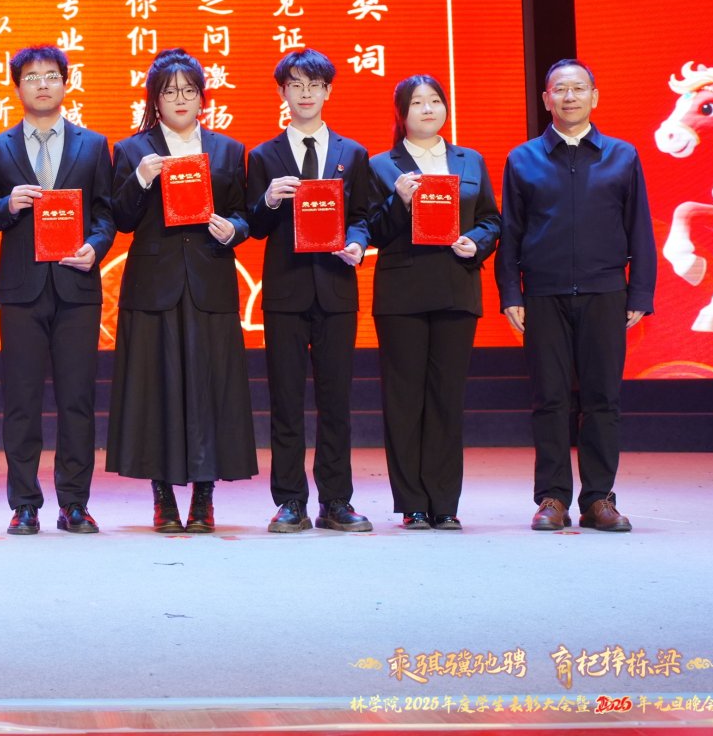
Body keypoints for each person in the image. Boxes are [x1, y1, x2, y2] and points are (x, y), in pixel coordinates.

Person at [496, 59, 655, 532]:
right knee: (549, 398)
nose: (569, 97)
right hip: (543, 293)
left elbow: (639, 228)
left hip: (606, 291)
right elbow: (511, 232)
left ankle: (599, 499)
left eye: (579, 89)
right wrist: (511, 292)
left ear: (594, 97)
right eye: (560, 90)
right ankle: (552, 498)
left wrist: (640, 291)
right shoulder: (522, 159)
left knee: (603, 398)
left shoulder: (622, 156)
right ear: (546, 99)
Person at [107, 49, 255, 533]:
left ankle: (204, 497)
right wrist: (141, 179)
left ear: (202, 98)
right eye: (169, 92)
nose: (180, 99)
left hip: (209, 282)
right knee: (157, 392)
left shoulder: (227, 150)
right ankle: (163, 498)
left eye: (189, 90)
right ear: (155, 99)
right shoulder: (133, 150)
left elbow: (244, 214)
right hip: (154, 287)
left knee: (210, 390)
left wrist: (233, 228)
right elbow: (120, 218)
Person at [0, 45, 116, 535]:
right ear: (17, 86)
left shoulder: (93, 144)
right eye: (32, 77)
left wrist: (95, 247)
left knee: (77, 400)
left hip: (77, 287)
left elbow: (106, 213)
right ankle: (24, 503)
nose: (42, 84)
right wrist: (7, 205)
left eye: (51, 76)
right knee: (21, 401)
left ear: (65, 83)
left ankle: (74, 503)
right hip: (22, 290)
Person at [246, 48, 374, 534]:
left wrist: (357, 244)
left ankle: (336, 500)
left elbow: (362, 217)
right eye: (296, 85)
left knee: (336, 400)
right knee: (285, 401)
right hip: (285, 293)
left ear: (328, 91)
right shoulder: (264, 155)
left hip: (337, 290)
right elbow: (254, 227)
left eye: (314, 85)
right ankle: (290, 501)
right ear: (282, 92)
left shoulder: (352, 153)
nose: (305, 94)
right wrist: (266, 200)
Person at [366, 75, 500, 531]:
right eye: (417, 103)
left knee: (446, 398)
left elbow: (491, 219)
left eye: (435, 101)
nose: (427, 109)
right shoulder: (381, 165)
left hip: (456, 288)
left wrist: (476, 241)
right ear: (401, 114)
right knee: (404, 399)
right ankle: (412, 503)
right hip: (401, 293)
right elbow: (371, 231)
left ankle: (444, 502)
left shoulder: (469, 160)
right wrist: (398, 201)